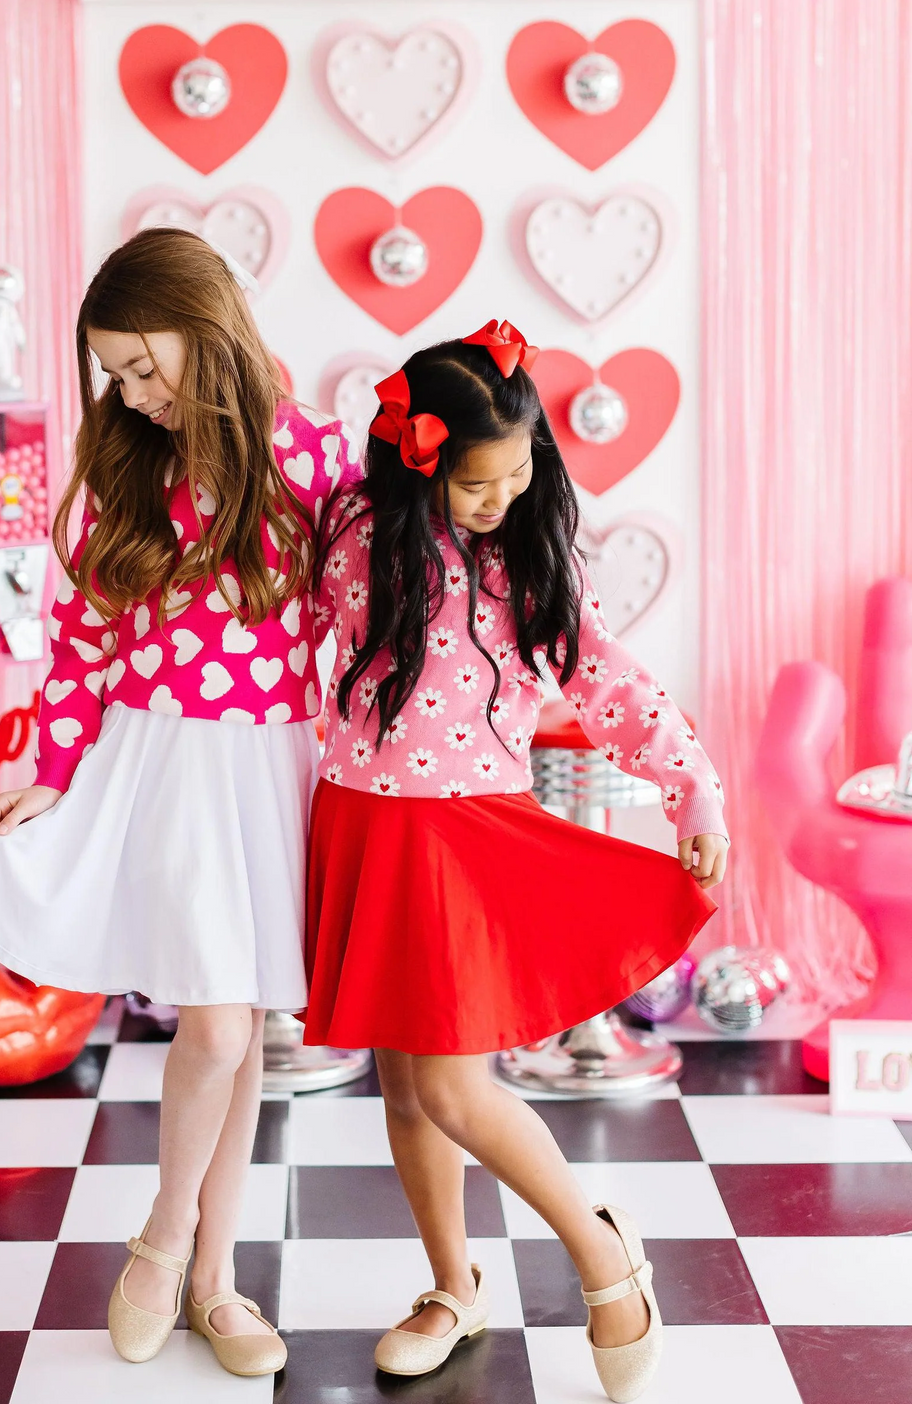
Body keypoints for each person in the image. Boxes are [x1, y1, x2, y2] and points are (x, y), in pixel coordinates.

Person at [0, 229, 359, 1379]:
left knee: (244, 1026)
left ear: (207, 333)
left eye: (143, 366)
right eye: (115, 374)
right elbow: (81, 644)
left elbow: (367, 610)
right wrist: (53, 772)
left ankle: (211, 1280)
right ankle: (166, 1241)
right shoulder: (132, 471)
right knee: (218, 1023)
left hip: (271, 766)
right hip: (161, 764)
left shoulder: (317, 456)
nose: (131, 395)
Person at [303, 321, 728, 1403]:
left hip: (466, 837)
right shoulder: (351, 533)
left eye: (518, 470)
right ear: (419, 465)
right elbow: (280, 647)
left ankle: (603, 1256)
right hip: (361, 826)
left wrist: (692, 787)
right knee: (408, 1088)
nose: (501, 497)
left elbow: (609, 680)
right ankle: (454, 1287)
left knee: (453, 1084)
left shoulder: (530, 562)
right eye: (476, 481)